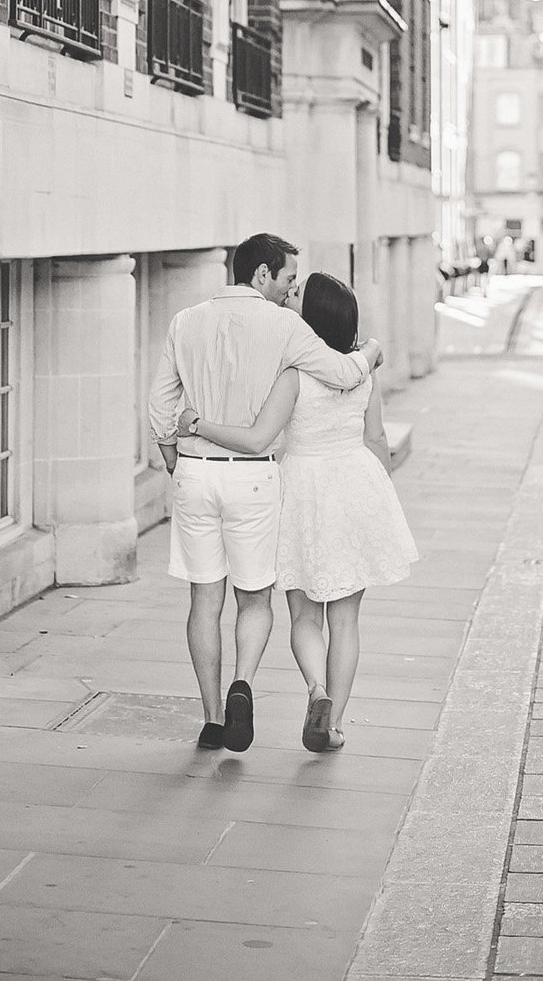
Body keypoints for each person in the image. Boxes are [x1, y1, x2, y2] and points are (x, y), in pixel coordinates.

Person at [148, 233, 380, 754]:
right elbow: (343, 373)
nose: (289, 290)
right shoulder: (287, 327)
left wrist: (170, 449)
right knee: (253, 599)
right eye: (287, 280)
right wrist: (372, 354)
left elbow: (162, 399)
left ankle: (212, 719)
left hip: (194, 469)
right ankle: (243, 683)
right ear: (262, 276)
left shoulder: (185, 320)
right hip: (251, 473)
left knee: (203, 598)